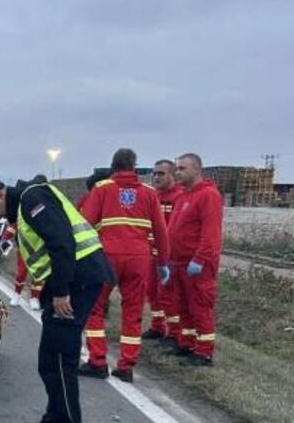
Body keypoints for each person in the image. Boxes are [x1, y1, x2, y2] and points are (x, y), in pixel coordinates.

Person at [0, 176, 113, 423]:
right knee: (49, 359)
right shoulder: (25, 208)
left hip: (76, 282)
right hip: (69, 282)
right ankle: (54, 420)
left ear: (0, 194)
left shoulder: (33, 199)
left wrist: (61, 293)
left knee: (60, 358)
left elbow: (62, 243)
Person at [79, 149, 170, 383]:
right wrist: (163, 262)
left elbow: (85, 225)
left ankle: (98, 361)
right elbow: (161, 232)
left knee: (95, 307)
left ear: (113, 166)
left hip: (108, 256)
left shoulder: (102, 189)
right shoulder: (149, 194)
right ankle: (127, 366)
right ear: (134, 166)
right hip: (139, 258)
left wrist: (81, 257)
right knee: (133, 312)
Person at [168, 153, 223, 366]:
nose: (178, 172)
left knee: (200, 306)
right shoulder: (183, 196)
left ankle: (204, 351)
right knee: (182, 305)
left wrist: (200, 259)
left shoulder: (208, 195)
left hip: (198, 265)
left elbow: (211, 233)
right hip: (179, 263)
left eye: (182, 168)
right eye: (177, 168)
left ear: (197, 170)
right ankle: (187, 342)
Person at [142, 159, 185, 341]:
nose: (156, 177)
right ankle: (157, 326)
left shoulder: (180, 197)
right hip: (151, 255)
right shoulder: (153, 197)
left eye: (161, 173)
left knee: (169, 295)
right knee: (152, 293)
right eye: (155, 173)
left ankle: (175, 332)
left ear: (172, 175)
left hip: (169, 256)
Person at [1, 221, 43, 310]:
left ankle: (34, 297)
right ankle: (17, 293)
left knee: (38, 275)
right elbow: (14, 225)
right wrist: (5, 238)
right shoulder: (23, 211)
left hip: (39, 249)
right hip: (24, 249)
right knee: (21, 273)